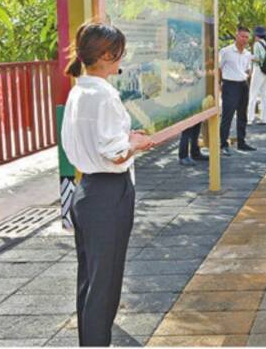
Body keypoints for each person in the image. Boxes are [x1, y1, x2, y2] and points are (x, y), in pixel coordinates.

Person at [61, 22, 154, 346]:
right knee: (106, 282)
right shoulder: (105, 95)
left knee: (89, 279)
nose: (121, 61)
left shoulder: (78, 90)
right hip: (108, 193)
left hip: (85, 189)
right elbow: (114, 153)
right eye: (118, 55)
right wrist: (135, 144)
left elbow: (90, 142)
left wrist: (124, 141)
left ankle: (90, 342)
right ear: (105, 55)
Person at [219, 26, 256, 156]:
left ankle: (242, 142)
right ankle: (223, 144)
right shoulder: (226, 51)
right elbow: (219, 68)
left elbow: (247, 69)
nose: (245, 39)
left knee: (242, 115)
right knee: (227, 116)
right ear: (236, 36)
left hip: (243, 85)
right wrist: (219, 84)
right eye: (242, 36)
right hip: (229, 85)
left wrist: (247, 75)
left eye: (247, 37)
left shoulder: (247, 54)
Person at [247, 26, 266, 125]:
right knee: (264, 95)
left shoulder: (257, 44)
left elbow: (258, 58)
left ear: (256, 35)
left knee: (253, 94)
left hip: (258, 70)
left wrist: (248, 56)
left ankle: (250, 118)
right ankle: (264, 118)